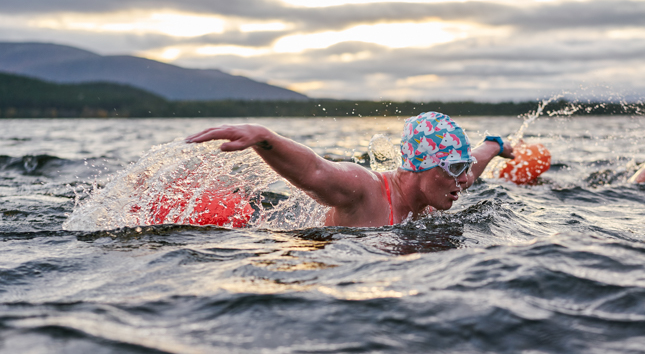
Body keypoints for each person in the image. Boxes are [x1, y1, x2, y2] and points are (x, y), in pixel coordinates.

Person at [186, 112, 517, 227]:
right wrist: (265, 138)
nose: (464, 179)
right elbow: (315, 171)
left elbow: (475, 161)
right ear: (420, 167)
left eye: (465, 167)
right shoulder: (365, 189)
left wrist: (495, 146)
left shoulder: (441, 185)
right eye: (455, 168)